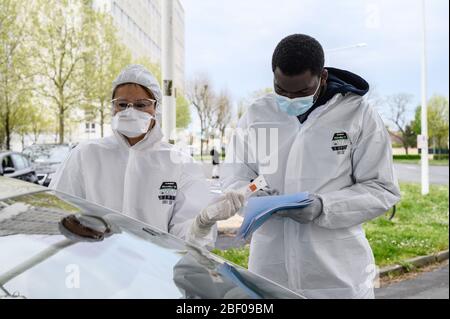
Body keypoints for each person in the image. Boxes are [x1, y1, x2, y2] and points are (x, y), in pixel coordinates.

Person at [222, 34, 401, 299]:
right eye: (281, 90)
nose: (290, 99)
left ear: (323, 77)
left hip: (337, 275)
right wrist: (253, 196)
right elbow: (235, 178)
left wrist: (323, 206)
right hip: (270, 270)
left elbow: (381, 189)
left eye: (302, 92)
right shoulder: (257, 116)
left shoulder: (358, 114)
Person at [51, 65, 244, 248]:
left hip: (154, 273)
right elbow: (56, 212)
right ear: (113, 107)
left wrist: (201, 224)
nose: (131, 111)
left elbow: (186, 242)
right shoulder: (85, 155)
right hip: (95, 269)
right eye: (123, 104)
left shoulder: (180, 163)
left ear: (156, 108)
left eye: (141, 105)